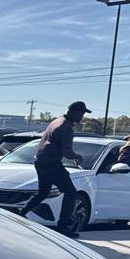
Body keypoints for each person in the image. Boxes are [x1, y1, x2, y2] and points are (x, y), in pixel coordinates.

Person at [18, 100, 90, 238]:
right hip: (51, 163)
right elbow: (67, 151)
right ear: (75, 112)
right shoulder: (67, 127)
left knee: (43, 192)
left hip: (40, 161)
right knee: (71, 193)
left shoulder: (57, 121)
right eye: (82, 113)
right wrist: (77, 156)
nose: (82, 117)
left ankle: (21, 213)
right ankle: (63, 227)